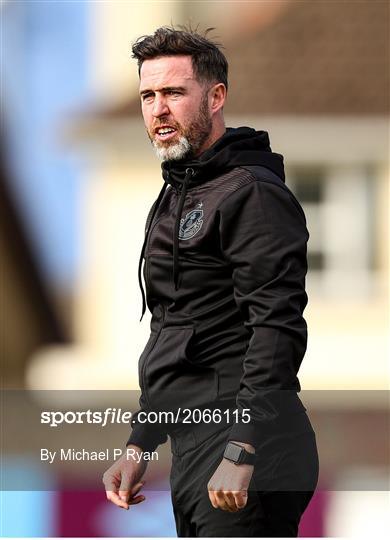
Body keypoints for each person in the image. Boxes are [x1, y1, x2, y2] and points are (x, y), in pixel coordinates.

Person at [103, 26, 319, 537]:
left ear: (216, 96)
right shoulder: (178, 193)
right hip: (195, 441)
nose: (158, 110)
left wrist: (243, 447)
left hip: (248, 441)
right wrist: (141, 442)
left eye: (174, 93)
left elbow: (276, 327)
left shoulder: (251, 193)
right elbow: (173, 328)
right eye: (148, 96)